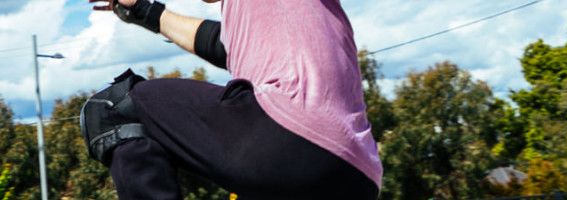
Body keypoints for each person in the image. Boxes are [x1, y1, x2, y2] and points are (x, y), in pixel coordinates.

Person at [79, 0, 381, 199]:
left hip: (287, 138)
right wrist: (145, 11)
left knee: (114, 109)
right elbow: (221, 45)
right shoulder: (269, 15)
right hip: (357, 176)